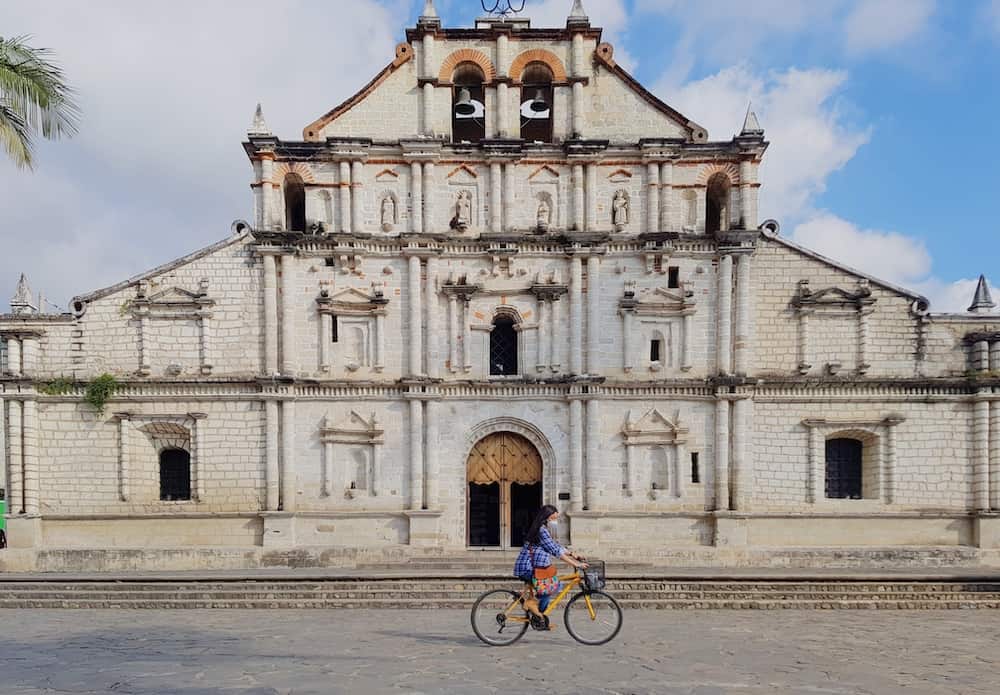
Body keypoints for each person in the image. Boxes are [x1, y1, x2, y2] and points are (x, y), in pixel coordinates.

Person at [513, 505, 587, 629]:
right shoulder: (541, 530)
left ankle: (539, 618)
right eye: (555, 515)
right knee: (552, 587)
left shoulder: (543, 529)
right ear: (548, 515)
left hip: (536, 568)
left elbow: (555, 545)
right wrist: (576, 564)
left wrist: (573, 554)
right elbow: (555, 551)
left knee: (550, 588)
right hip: (528, 568)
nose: (556, 518)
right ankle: (533, 607)